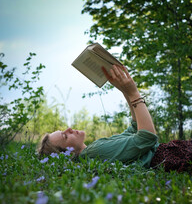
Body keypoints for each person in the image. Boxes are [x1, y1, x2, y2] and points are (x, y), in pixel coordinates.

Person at [38, 65, 192, 173]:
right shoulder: (93, 152)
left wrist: (124, 89)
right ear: (68, 154)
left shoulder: (94, 150)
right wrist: (134, 93)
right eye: (65, 136)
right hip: (175, 156)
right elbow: (147, 137)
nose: (69, 129)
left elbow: (134, 128)